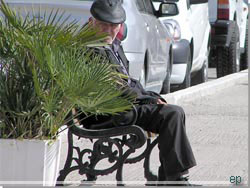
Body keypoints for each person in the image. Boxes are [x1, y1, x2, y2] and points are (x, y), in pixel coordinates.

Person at [83, 0, 197, 186]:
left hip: (122, 106)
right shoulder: (91, 50)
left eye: (113, 26)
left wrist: (152, 98)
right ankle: (176, 180)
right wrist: (148, 101)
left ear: (120, 26)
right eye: (103, 24)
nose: (108, 30)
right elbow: (116, 88)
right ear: (91, 22)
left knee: (174, 110)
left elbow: (129, 82)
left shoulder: (113, 45)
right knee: (171, 114)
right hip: (106, 113)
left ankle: (170, 177)